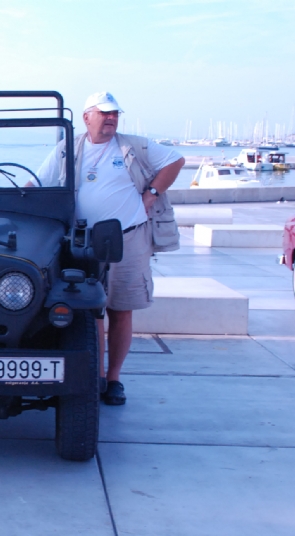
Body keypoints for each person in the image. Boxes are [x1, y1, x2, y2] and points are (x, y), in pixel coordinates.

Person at [34, 92, 185, 405]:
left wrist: (151, 195)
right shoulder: (68, 149)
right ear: (87, 117)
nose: (111, 118)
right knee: (89, 312)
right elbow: (37, 184)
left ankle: (113, 378)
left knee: (121, 309)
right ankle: (96, 376)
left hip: (127, 239)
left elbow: (175, 160)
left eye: (115, 114)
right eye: (104, 113)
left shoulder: (133, 147)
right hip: (82, 243)